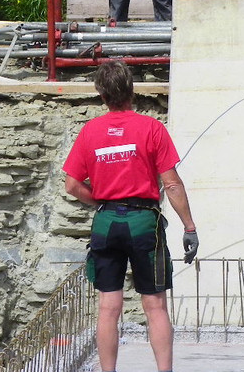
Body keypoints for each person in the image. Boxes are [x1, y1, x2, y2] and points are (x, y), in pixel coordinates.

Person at [62, 61, 198, 372]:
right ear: (132, 90)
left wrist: (101, 200)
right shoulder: (152, 128)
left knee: (108, 308)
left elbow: (71, 185)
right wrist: (189, 227)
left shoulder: (90, 131)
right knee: (155, 306)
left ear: (102, 95)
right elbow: (172, 184)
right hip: (142, 223)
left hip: (106, 222)